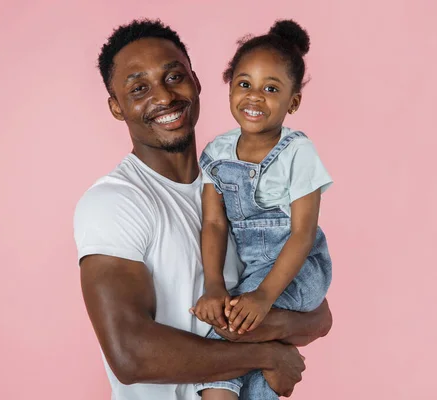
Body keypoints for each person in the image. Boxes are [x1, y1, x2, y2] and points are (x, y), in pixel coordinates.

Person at [73, 18, 333, 400]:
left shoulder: (241, 188)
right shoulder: (114, 203)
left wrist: (260, 322)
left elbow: (320, 317)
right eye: (139, 88)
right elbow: (129, 355)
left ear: (196, 82)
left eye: (174, 77)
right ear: (116, 107)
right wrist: (268, 353)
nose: (163, 97)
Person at [192, 20, 333, 400]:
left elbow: (303, 234)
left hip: (297, 269)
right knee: (232, 332)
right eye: (244, 83)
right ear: (230, 86)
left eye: (271, 88)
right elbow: (214, 222)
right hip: (253, 272)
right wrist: (214, 286)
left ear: (293, 101)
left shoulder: (298, 152)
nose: (255, 96)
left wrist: (264, 296)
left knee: (228, 332)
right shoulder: (217, 153)